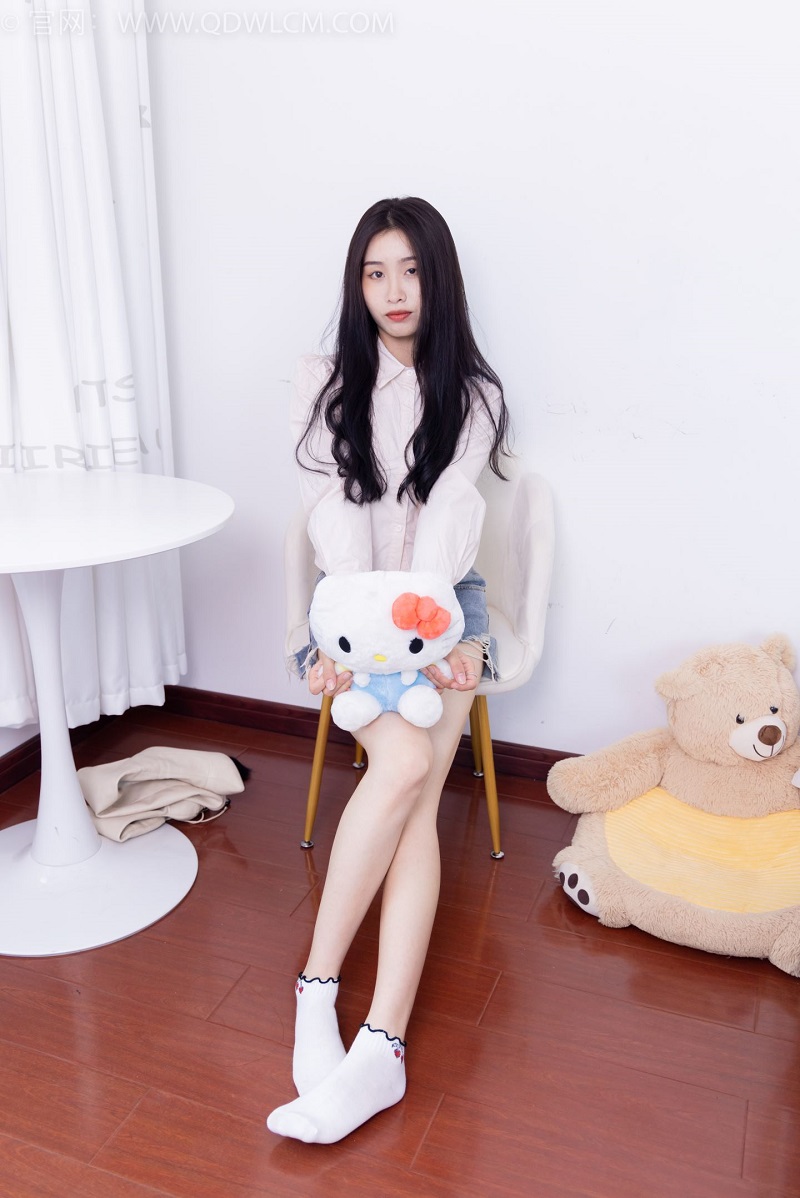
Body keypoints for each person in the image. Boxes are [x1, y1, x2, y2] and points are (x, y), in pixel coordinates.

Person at [267, 197, 511, 1145]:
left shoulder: (474, 393)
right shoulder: (324, 379)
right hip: (350, 603)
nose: (394, 290)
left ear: (438, 277)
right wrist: (347, 638)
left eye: (410, 270)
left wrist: (442, 633)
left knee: (412, 779)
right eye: (375, 272)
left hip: (443, 604)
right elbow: (330, 507)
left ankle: (372, 1037)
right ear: (356, 284)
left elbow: (448, 521)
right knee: (407, 770)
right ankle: (330, 1000)